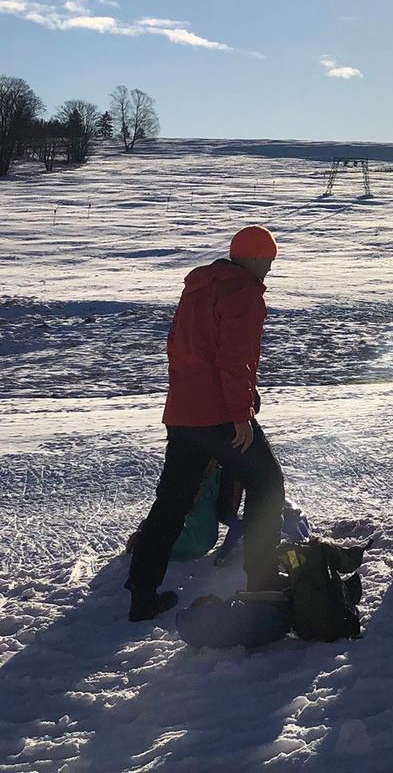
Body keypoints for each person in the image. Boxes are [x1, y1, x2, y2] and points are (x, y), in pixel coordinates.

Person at [126, 226, 286, 622]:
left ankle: (142, 591)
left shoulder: (197, 287)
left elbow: (176, 346)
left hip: (183, 412)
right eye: (267, 260)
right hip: (218, 416)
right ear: (250, 258)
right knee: (267, 483)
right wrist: (240, 414)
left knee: (173, 500)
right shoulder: (243, 292)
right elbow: (236, 359)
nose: (268, 268)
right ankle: (263, 582)